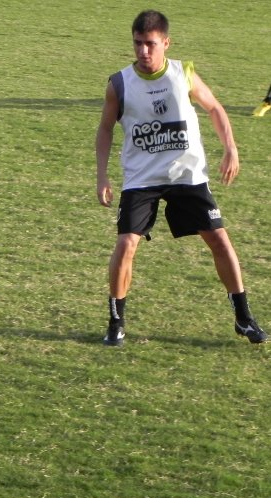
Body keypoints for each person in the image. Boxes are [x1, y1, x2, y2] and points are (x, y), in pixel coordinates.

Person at [95, 10, 267, 347]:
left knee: (219, 239)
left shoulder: (182, 74)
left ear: (166, 43)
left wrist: (230, 147)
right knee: (126, 243)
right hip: (141, 178)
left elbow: (215, 108)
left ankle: (244, 318)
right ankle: (116, 322)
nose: (143, 52)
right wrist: (102, 175)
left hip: (186, 175)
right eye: (137, 44)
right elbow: (104, 129)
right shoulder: (119, 84)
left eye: (150, 44)